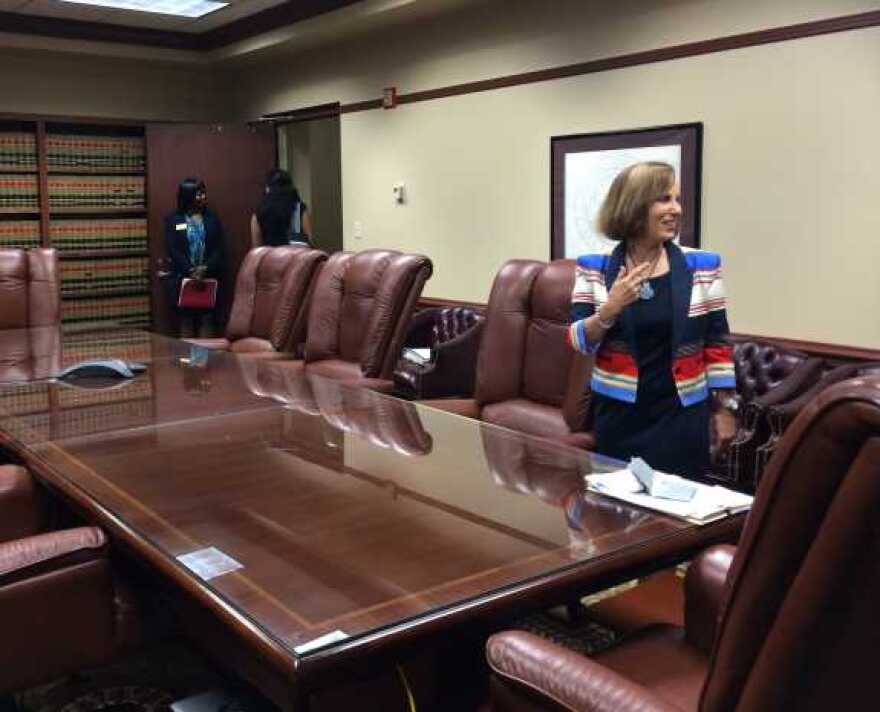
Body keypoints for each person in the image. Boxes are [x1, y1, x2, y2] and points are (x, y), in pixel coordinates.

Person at [567, 161, 737, 478]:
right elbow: (579, 340)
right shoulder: (594, 268)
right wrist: (609, 309)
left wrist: (726, 409)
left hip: (682, 417)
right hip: (619, 417)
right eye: (663, 199)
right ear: (633, 206)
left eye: (677, 199)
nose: (675, 209)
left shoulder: (702, 266)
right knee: (618, 515)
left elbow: (717, 342)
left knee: (680, 515)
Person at [164, 177, 224, 338]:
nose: (203, 197)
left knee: (207, 319)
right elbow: (173, 249)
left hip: (208, 278)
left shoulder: (212, 219)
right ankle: (187, 362)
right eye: (198, 194)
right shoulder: (174, 219)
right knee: (186, 319)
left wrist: (205, 268)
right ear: (187, 196)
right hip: (183, 278)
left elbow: (219, 248)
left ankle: (206, 362)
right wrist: (190, 270)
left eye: (204, 193)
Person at [250, 169, 313, 248]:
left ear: (268, 188)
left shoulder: (259, 212)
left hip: (271, 258)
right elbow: (309, 240)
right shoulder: (298, 208)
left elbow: (257, 248)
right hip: (296, 258)